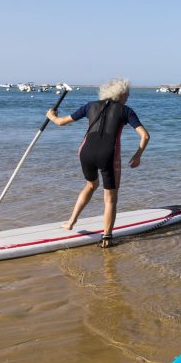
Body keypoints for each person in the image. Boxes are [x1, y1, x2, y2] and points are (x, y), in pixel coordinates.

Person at [47, 78, 150, 247]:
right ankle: (107, 238)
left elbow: (60, 122)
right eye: (127, 94)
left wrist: (51, 115)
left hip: (85, 152)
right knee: (110, 198)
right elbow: (145, 136)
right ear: (121, 93)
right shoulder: (126, 111)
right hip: (108, 155)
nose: (128, 97)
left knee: (90, 185)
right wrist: (138, 155)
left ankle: (71, 222)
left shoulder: (90, 106)